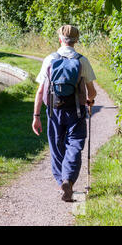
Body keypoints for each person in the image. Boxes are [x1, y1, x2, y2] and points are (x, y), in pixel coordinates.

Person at [32, 25, 97, 202]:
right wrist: (90, 100)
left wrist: (36, 117)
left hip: (53, 111)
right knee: (74, 145)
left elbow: (40, 91)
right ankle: (68, 179)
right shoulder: (82, 60)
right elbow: (92, 92)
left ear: (60, 39)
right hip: (76, 111)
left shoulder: (49, 59)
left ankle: (62, 181)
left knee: (56, 146)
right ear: (76, 41)